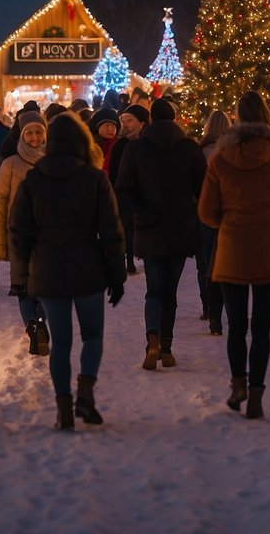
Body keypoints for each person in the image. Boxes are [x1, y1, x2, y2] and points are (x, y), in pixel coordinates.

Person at [10, 111, 126, 430]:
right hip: (88, 266)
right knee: (92, 335)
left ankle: (63, 409)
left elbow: (18, 228)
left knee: (61, 342)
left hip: (47, 268)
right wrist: (117, 275)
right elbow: (112, 230)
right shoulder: (94, 178)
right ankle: (85, 392)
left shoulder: (34, 179)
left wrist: (24, 267)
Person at [198, 92, 270, 420]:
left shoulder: (219, 160)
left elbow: (206, 211)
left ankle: (238, 384)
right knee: (261, 328)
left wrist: (228, 223)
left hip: (232, 250)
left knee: (235, 326)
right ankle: (256, 393)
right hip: (269, 251)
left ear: (236, 119)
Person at [115, 98, 206, 371]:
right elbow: (204, 189)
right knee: (171, 292)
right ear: (175, 118)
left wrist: (139, 214)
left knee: (153, 290)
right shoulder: (189, 148)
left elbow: (123, 189)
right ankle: (166, 347)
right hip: (181, 228)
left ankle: (152, 338)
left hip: (149, 228)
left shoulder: (136, 149)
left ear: (151, 120)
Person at [0, 109, 49, 356]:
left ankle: (38, 326)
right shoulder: (11, 164)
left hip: (49, 237)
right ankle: (36, 329)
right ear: (21, 135)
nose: (34, 137)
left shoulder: (54, 162)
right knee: (24, 288)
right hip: (19, 237)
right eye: (29, 133)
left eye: (38, 131)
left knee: (46, 287)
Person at [196, 110, 231, 334]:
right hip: (226, 212)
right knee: (224, 260)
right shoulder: (231, 150)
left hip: (203, 210)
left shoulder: (199, 150)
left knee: (205, 261)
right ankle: (224, 306)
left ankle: (207, 305)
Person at [108, 104, 149, 275]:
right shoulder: (120, 144)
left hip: (144, 193)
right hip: (123, 193)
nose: (124, 124)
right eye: (123, 121)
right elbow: (113, 170)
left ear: (142, 123)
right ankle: (129, 259)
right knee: (126, 228)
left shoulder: (148, 144)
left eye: (129, 121)